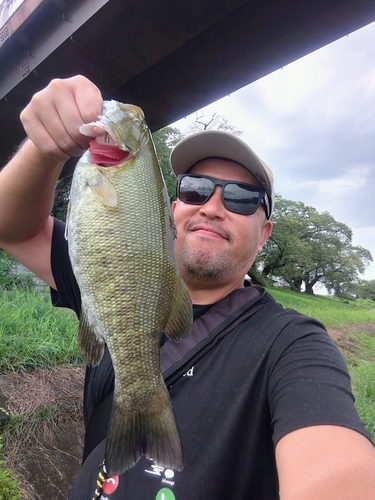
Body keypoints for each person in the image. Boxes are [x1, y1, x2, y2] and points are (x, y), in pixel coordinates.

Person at [0, 75, 375, 500]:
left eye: (240, 198)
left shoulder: (292, 345)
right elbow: (11, 227)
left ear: (265, 232)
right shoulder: (112, 262)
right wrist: (44, 149)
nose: (212, 207)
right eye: (195, 189)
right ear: (171, 208)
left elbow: (334, 463)